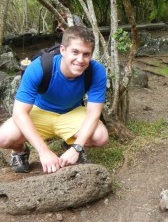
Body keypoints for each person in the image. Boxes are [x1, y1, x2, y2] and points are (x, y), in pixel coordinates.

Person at [0, 26, 108, 174]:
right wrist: (43, 151)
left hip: (72, 112)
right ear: (63, 50)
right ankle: (20, 151)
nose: (80, 60)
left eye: (86, 54)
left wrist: (77, 146)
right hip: (40, 112)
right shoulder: (39, 67)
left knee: (100, 136)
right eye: (75, 52)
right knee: (3, 138)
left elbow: (93, 113)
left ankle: (71, 145)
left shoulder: (96, 71)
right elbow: (19, 113)